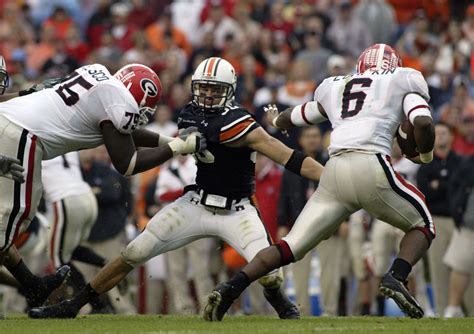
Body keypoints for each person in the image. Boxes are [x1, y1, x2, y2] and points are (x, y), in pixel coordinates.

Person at [28, 57, 324, 319]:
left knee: (271, 275)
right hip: (196, 202)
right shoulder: (189, 114)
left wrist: (328, 176)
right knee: (134, 251)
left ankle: (280, 302)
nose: (208, 94)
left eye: (215, 89)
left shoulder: (239, 122)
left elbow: (287, 157)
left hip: (237, 209)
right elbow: (151, 139)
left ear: (230, 91)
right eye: (204, 87)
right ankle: (73, 305)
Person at [204, 44, 436, 321]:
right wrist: (425, 154)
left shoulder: (335, 85)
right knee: (424, 226)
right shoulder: (403, 79)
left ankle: (230, 289)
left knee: (288, 246)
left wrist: (276, 119)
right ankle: (396, 276)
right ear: (393, 64)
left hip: (334, 171)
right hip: (371, 165)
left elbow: (298, 115)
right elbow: (421, 122)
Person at [0, 62, 204, 309]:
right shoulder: (120, 103)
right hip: (23, 134)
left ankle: (31, 284)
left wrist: (168, 140)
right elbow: (127, 164)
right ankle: (32, 285)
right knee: (11, 219)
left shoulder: (98, 76)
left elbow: (124, 134)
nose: (139, 117)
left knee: (8, 221)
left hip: (12, 123)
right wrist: (176, 148)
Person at [416, 122, 463, 316]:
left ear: (451, 137)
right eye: (439, 133)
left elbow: (462, 190)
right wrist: (448, 185)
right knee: (438, 267)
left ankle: (468, 311)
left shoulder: (461, 161)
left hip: (458, 221)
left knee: (464, 266)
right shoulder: (425, 165)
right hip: (436, 219)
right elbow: (425, 193)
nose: (442, 136)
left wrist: (439, 185)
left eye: (445, 133)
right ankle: (444, 310)